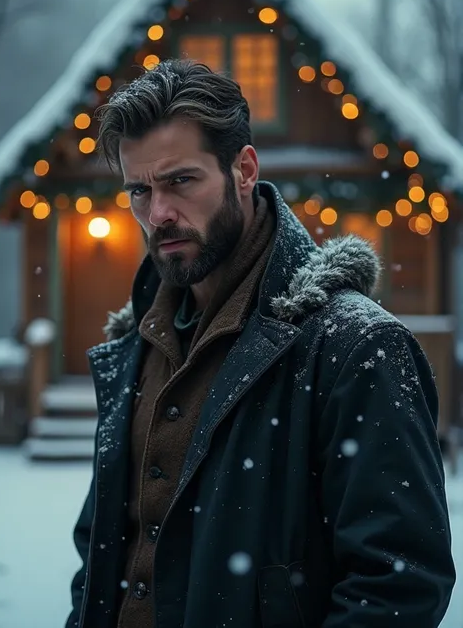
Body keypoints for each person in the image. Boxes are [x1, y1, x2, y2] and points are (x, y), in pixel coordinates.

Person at [66, 60, 455, 628]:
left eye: (180, 180)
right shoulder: (133, 348)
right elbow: (100, 554)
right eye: (138, 191)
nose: (158, 214)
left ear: (244, 170)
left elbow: (397, 585)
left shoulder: (354, 347)